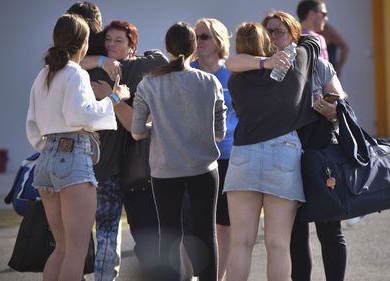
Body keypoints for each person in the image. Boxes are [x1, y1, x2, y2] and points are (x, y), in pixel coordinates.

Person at [226, 10, 348, 281]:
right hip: (283, 153)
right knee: (278, 243)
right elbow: (313, 42)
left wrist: (265, 61)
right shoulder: (298, 63)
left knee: (241, 242)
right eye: (268, 32)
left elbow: (231, 61)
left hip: (245, 154)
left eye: (279, 31)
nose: (273, 36)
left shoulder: (239, 76)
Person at [26, 14, 129, 281]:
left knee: (61, 248)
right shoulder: (76, 73)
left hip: (46, 159)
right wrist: (115, 97)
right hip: (72, 159)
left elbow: (33, 123)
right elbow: (80, 114)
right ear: (83, 43)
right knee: (76, 250)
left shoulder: (44, 74)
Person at [131, 22, 226, 281]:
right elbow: (220, 133)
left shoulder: (148, 84)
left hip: (165, 169)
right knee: (207, 233)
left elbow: (137, 131)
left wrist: (158, 125)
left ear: (167, 47)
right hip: (205, 169)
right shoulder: (211, 82)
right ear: (194, 47)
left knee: (169, 235)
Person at [86, 19, 169, 280]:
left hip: (134, 170)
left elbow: (160, 59)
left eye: (118, 41)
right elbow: (160, 60)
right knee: (109, 232)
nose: (111, 45)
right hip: (108, 167)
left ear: (132, 46)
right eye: (108, 40)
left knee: (131, 234)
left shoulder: (126, 68)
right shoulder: (104, 69)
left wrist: (103, 66)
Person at [189, 18, 235, 281]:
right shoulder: (187, 71)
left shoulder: (232, 73)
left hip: (228, 157)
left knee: (224, 225)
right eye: (195, 37)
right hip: (194, 159)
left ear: (219, 41)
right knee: (195, 226)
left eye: (204, 36)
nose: (198, 42)